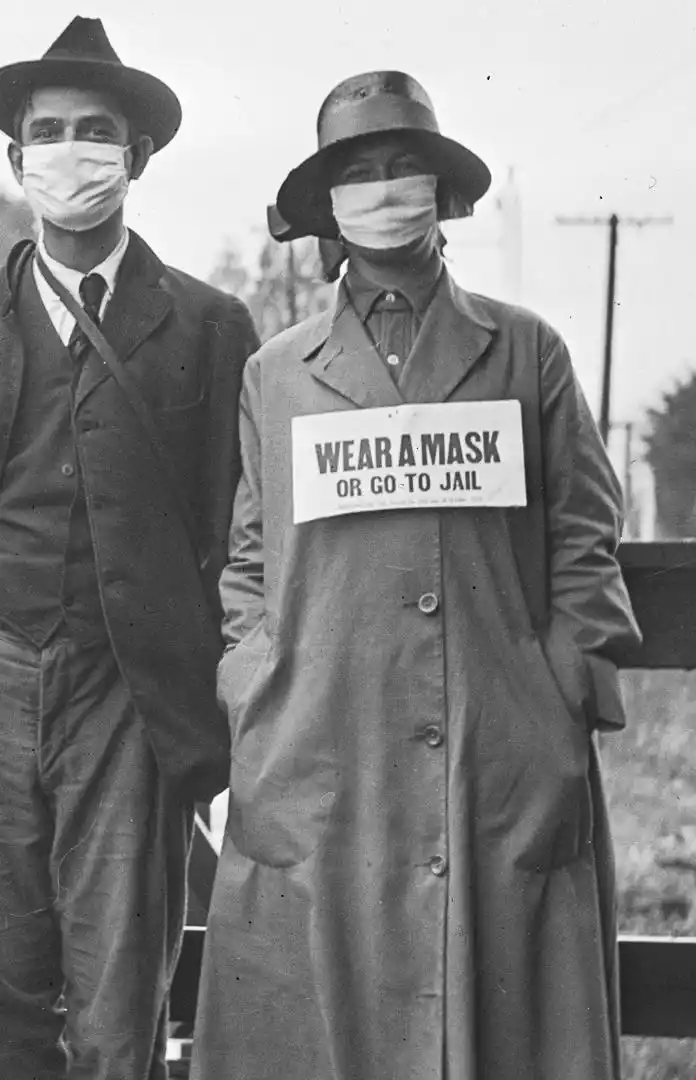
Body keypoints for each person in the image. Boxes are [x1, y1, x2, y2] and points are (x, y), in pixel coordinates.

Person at [191, 71, 641, 1080]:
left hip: (497, 742)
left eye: (405, 167)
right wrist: (252, 679)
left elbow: (583, 535)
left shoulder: (526, 350)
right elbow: (252, 556)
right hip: (323, 744)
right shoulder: (278, 372)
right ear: (327, 208)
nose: (386, 188)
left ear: (441, 192)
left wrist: (561, 684)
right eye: (361, 172)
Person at [0, 16, 258, 1080]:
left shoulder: (208, 325)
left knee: (117, 998)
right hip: (2, 675)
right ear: (16, 157)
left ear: (135, 156)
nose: (71, 151)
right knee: (6, 986)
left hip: (131, 693)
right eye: (48, 130)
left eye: (94, 130)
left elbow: (239, 527)